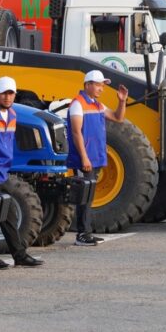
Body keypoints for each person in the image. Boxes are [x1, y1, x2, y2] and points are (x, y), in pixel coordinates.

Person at [0, 76, 43, 269]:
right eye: (4, 93)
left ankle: (19, 255)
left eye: (11, 93)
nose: (8, 97)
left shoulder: (12, 115)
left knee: (9, 215)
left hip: (2, 171)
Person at [66, 70, 128, 246]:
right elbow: (76, 132)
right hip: (85, 159)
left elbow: (118, 117)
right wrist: (84, 158)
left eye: (103, 85)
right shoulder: (78, 104)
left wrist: (121, 101)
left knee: (89, 196)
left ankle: (86, 232)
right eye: (98, 85)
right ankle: (81, 234)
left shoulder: (97, 105)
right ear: (87, 85)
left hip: (96, 158)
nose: (101, 88)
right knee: (84, 196)